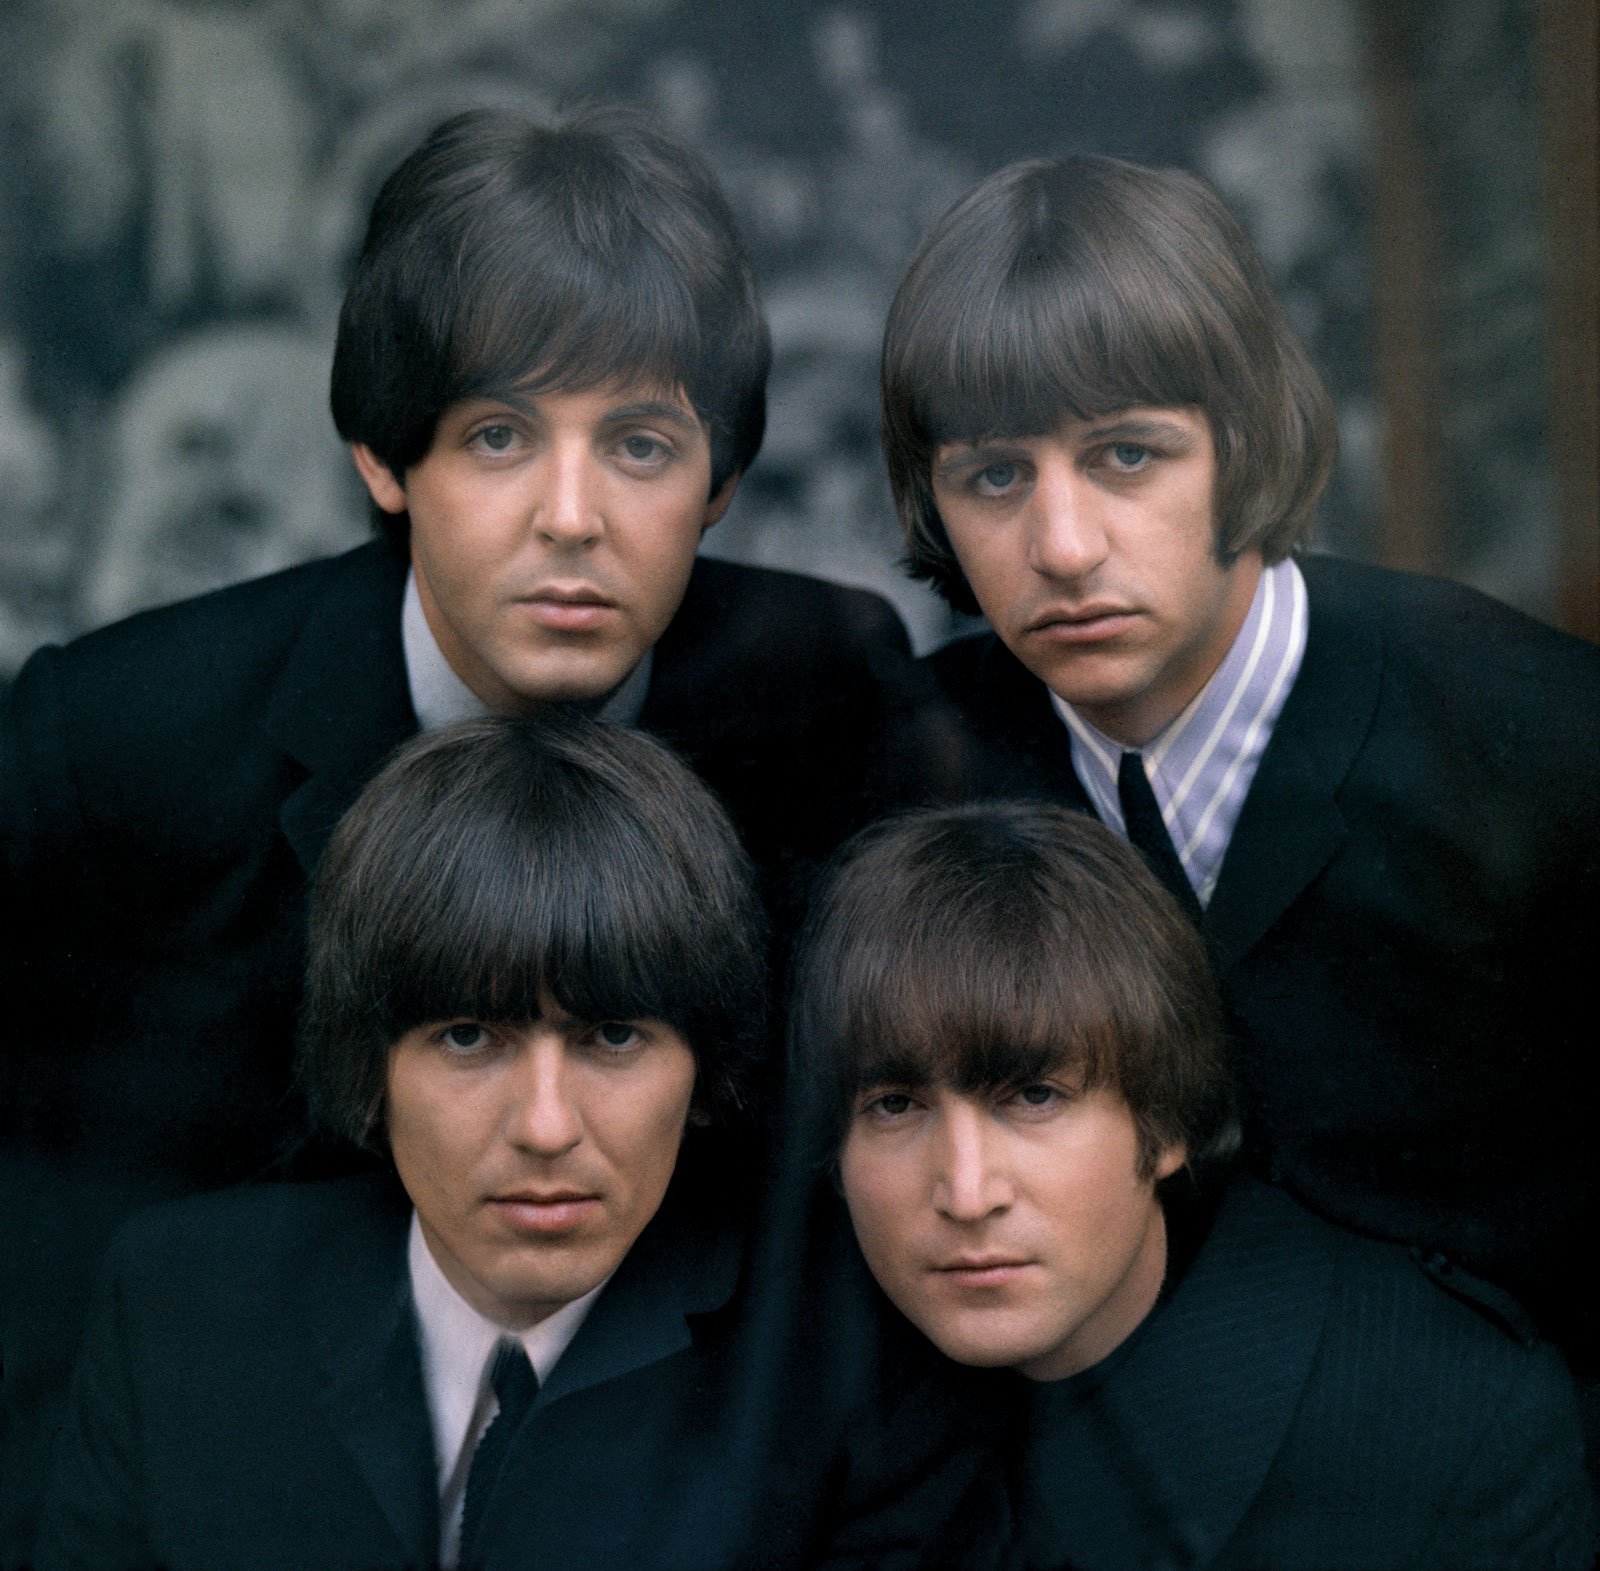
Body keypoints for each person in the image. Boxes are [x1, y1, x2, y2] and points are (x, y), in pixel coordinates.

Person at [0, 104, 911, 1555]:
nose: (571, 516)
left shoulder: (828, 696)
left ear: (722, 483)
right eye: (497, 434)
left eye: (640, 444)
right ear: (382, 456)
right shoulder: (116, 742)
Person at [872, 151, 1600, 1365]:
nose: (1062, 545)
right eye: (994, 475)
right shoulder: (904, 760)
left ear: (1246, 441)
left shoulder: (1546, 739)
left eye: (1126, 455)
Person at [34, 716, 1002, 1571]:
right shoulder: (175, 1303)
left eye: (611, 1037)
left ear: (704, 1070)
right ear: (371, 1067)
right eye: (468, 1036)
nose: (545, 1126)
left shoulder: (848, 1363)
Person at [789, 801, 1595, 1570]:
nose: (967, 1194)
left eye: (1034, 1095)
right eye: (895, 1104)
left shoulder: (1446, 1423)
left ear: (1168, 1120)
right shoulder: (804, 1421)